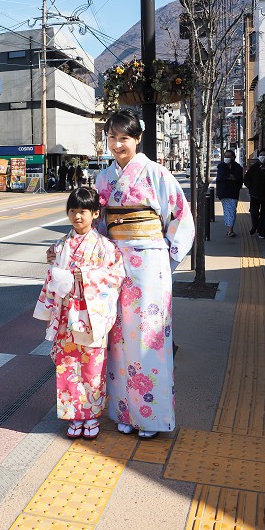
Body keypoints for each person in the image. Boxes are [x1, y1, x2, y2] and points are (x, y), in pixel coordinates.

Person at [95, 109, 195, 439]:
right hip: (115, 266)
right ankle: (124, 411)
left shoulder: (157, 174)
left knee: (149, 338)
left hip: (150, 266)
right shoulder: (104, 179)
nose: (117, 144)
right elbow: (99, 225)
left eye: (124, 137)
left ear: (137, 139)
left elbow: (181, 219)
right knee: (119, 339)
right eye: (111, 137)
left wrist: (165, 259)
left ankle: (150, 417)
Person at [34, 188, 125, 440]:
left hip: (91, 315)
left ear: (95, 214)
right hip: (66, 314)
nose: (77, 216)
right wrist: (53, 261)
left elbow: (116, 276)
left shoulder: (105, 246)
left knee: (93, 366)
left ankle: (92, 415)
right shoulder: (62, 244)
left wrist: (85, 275)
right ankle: (74, 416)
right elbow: (53, 263)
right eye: (72, 211)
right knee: (67, 366)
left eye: (83, 211)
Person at [216, 149, 244, 237]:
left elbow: (239, 179)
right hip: (223, 192)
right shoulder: (221, 166)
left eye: (229, 156)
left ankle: (230, 228)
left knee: (232, 210)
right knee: (227, 210)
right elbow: (220, 178)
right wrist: (230, 177)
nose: (227, 158)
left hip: (233, 192)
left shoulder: (238, 167)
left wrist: (231, 178)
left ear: (233, 157)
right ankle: (230, 229)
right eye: (225, 156)